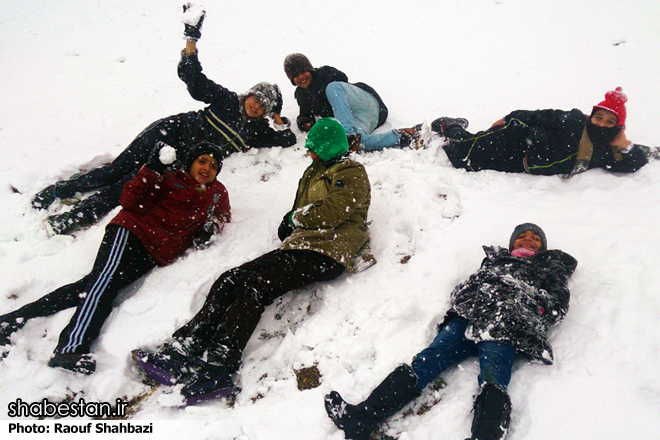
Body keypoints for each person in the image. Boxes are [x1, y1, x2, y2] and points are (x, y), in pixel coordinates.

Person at [132, 118, 376, 405]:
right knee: (231, 278)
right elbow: (307, 209)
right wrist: (293, 221)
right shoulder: (315, 171)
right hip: (303, 245)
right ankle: (186, 348)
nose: (310, 153)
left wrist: (296, 218)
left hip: (329, 252)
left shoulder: (351, 171)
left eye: (315, 148)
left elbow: (336, 209)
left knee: (256, 286)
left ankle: (220, 368)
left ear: (328, 146)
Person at [32, 3, 295, 235]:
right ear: (248, 93)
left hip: (181, 158)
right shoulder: (227, 99)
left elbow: (288, 138)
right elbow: (194, 79)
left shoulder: (257, 132)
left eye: (263, 106)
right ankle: (60, 190)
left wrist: (277, 116)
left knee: (128, 184)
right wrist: (191, 39)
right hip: (168, 132)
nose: (255, 105)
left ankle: (73, 217)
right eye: (255, 98)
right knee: (117, 170)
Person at [325, 223, 578, 440]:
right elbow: (468, 284)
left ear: (542, 247)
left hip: (505, 322)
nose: (528, 240)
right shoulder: (495, 261)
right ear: (513, 242)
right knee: (427, 359)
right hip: (469, 316)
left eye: (535, 238)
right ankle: (363, 418)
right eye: (523, 236)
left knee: (493, 377)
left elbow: (556, 305)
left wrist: (522, 303)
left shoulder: (547, 268)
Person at [0, 143, 231, 375]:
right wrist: (150, 171)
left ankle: (10, 322)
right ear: (190, 162)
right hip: (131, 232)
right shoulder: (169, 177)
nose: (207, 168)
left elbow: (224, 215)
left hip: (155, 252)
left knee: (90, 287)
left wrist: (212, 226)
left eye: (213, 165)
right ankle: (71, 348)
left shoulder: (217, 193)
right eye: (202, 161)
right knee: (104, 286)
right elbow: (130, 200)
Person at [431, 87, 650, 177]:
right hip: (518, 137)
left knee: (471, 165)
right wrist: (507, 119)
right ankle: (450, 125)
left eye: (610, 121)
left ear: (618, 126)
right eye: (598, 117)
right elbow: (536, 115)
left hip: (523, 163)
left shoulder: (608, 149)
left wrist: (623, 142)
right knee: (462, 153)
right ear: (591, 116)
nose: (601, 124)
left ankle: (459, 132)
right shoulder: (574, 120)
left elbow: (634, 162)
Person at [283, 53, 424, 151]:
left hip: (366, 103)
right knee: (351, 143)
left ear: (310, 69)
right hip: (360, 119)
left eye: (303, 72)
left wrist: (320, 91)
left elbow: (341, 80)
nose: (301, 77)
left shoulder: (324, 73)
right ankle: (403, 136)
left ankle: (349, 133)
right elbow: (304, 115)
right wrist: (305, 123)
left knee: (332, 88)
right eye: (296, 76)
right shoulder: (301, 95)